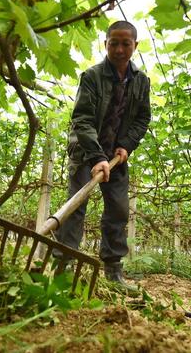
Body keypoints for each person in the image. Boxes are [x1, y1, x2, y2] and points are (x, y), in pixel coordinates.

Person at [54, 20, 151, 291]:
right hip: (87, 152)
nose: (119, 49)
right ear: (105, 44)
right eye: (113, 43)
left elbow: (142, 118)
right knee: (75, 207)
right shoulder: (92, 76)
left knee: (118, 210)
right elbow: (82, 120)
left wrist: (126, 145)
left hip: (116, 156)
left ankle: (113, 270)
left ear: (135, 46)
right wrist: (96, 156)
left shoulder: (141, 81)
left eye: (126, 44)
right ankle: (63, 267)